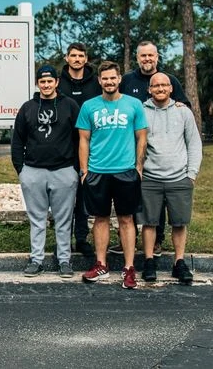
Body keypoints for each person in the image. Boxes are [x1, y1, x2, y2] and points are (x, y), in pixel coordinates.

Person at [76, 60, 148, 289]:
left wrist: (138, 167)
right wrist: (84, 171)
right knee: (100, 218)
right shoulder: (89, 106)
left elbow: (141, 137)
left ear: (119, 79)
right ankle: (101, 265)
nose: (109, 82)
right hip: (97, 171)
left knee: (126, 219)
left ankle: (129, 268)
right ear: (99, 80)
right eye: (105, 78)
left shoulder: (134, 104)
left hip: (125, 171)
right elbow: (83, 140)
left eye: (112, 78)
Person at [118, 40, 190, 257]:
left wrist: (179, 104)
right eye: (143, 55)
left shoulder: (169, 80)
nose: (147, 59)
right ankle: (127, 240)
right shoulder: (128, 80)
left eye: (151, 55)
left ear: (157, 57)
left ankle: (157, 241)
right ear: (137, 58)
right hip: (129, 147)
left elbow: (183, 105)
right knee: (131, 196)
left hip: (158, 151)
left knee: (156, 197)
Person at [11, 65, 81, 278]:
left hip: (64, 171)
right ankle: (36, 259)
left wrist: (75, 169)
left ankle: (64, 260)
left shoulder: (70, 106)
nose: (46, 85)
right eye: (42, 81)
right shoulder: (27, 108)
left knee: (64, 220)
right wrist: (21, 170)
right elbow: (17, 140)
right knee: (37, 219)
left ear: (57, 82)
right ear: (37, 83)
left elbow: (80, 138)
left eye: (50, 81)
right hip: (33, 171)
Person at [139, 73, 202, 285]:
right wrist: (138, 170)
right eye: (156, 85)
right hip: (150, 178)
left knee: (179, 222)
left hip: (179, 178)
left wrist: (191, 174)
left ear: (171, 88)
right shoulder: (141, 111)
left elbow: (194, 143)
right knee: (149, 222)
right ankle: (149, 261)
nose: (160, 89)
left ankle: (179, 262)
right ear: (149, 89)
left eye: (164, 85)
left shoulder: (183, 112)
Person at [57, 42, 103, 258]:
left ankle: (82, 238)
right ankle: (63, 241)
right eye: (73, 55)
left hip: (91, 145)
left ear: (86, 58)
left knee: (84, 195)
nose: (77, 59)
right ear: (67, 58)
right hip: (63, 146)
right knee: (65, 197)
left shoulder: (95, 83)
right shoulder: (59, 82)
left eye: (81, 56)